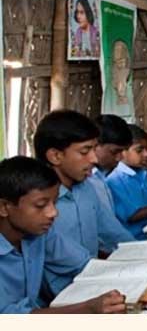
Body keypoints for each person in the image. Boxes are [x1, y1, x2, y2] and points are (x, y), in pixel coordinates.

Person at [0, 156, 124, 314]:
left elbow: (83, 263)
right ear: (4, 207)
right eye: (40, 205)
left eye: (54, 202)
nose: (53, 213)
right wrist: (87, 308)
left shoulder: (38, 234)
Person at [34, 110, 135, 294]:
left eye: (94, 149)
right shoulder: (36, 204)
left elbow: (113, 232)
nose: (94, 159)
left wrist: (146, 258)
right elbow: (65, 257)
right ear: (55, 156)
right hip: (58, 298)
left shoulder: (87, 188)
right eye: (84, 151)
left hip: (94, 281)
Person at [85, 114, 133, 226]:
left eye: (122, 152)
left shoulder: (101, 176)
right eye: (114, 152)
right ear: (95, 145)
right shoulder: (89, 181)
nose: (119, 158)